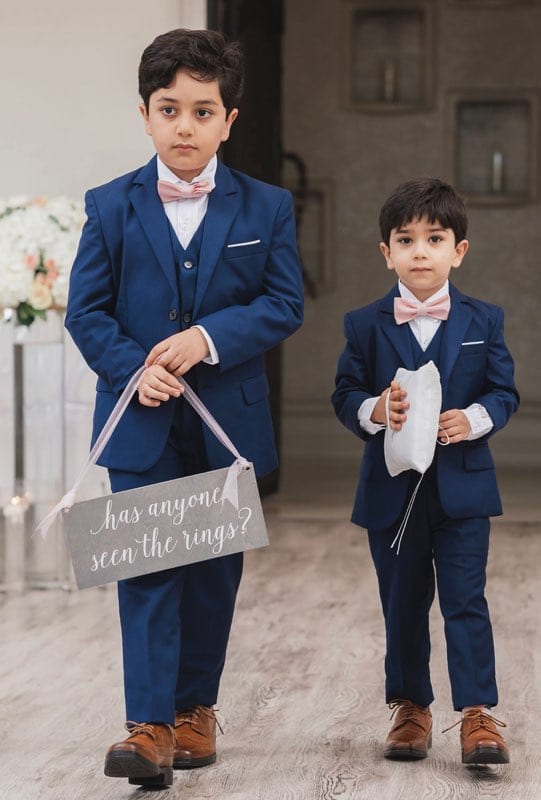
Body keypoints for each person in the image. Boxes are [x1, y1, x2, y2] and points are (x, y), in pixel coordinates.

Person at [65, 28, 303, 788]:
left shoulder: (267, 206)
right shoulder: (109, 205)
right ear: (144, 115)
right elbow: (86, 312)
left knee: (212, 571)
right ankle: (148, 727)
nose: (185, 127)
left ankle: (196, 709)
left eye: (203, 112)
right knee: (146, 568)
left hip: (228, 421)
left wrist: (207, 338)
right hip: (139, 423)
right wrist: (132, 369)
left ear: (228, 121)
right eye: (169, 110)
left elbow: (284, 303)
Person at [332, 178, 519, 766]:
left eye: (434, 239)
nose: (420, 252)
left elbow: (504, 392)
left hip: (464, 491)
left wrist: (476, 419)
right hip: (391, 493)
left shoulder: (485, 319)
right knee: (403, 602)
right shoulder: (364, 324)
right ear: (385, 252)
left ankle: (478, 713)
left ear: (458, 251)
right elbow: (345, 393)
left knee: (466, 599)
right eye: (405, 240)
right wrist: (374, 410)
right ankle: (410, 707)